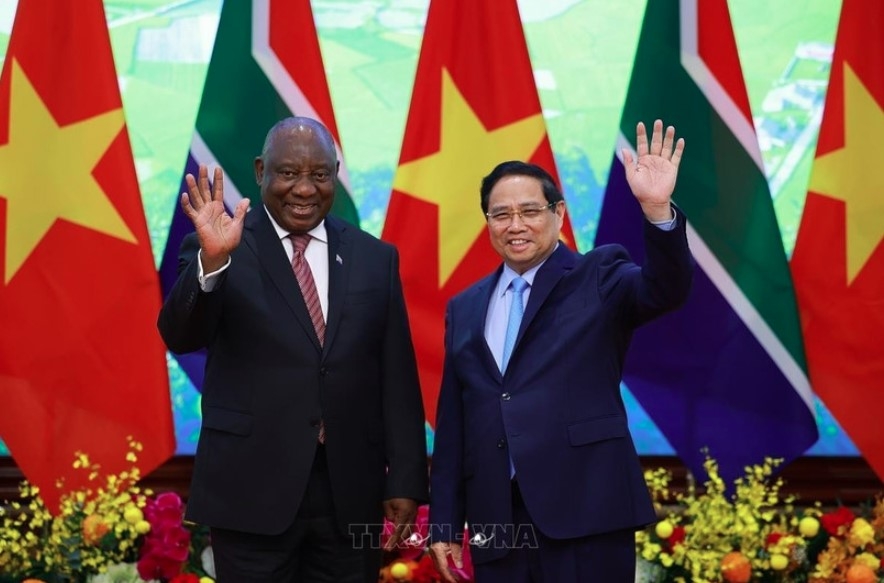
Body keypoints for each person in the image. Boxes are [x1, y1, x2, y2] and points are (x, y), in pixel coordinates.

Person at [158, 116, 429, 583]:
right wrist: (213, 263)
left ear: (335, 174)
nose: (304, 189)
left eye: (319, 174)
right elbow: (181, 335)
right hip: (250, 490)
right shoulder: (220, 246)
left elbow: (396, 375)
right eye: (288, 173)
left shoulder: (374, 257)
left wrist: (405, 477)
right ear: (260, 170)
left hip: (349, 492)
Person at [427, 119, 692, 582]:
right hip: (497, 524)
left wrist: (657, 210)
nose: (516, 226)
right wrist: (445, 523)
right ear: (487, 222)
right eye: (501, 214)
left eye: (530, 211)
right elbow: (454, 424)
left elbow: (665, 290)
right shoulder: (465, 306)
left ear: (559, 213)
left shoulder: (599, 275)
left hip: (586, 510)